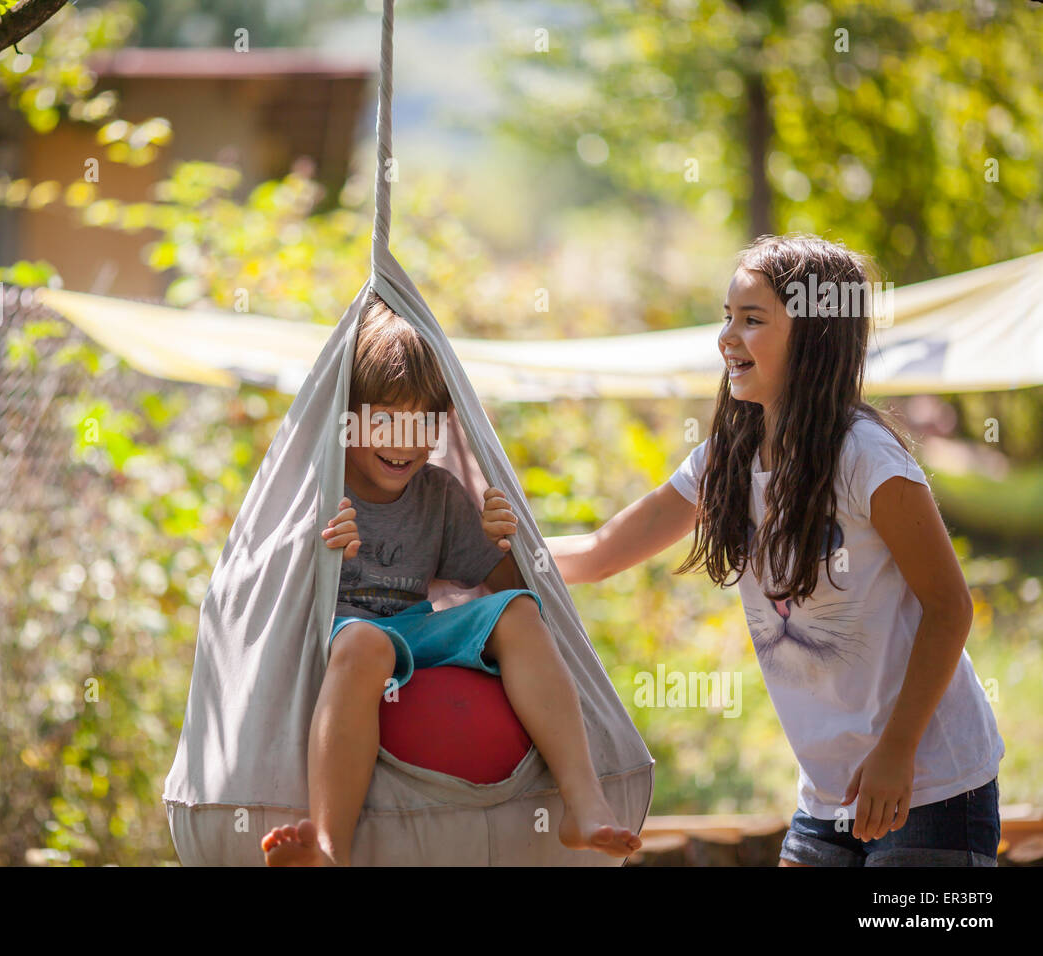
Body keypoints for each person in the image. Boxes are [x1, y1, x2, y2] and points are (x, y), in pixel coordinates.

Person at [484, 234, 1003, 867]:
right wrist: (488, 542)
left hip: (930, 782)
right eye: (728, 316)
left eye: (752, 320)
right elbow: (596, 554)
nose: (727, 336)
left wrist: (897, 753)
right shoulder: (723, 463)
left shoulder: (868, 458)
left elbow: (950, 607)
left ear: (814, 335)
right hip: (828, 794)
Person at [259, 292, 643, 866]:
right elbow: (267, 590)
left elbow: (517, 591)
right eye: (385, 419)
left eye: (423, 421)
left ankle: (583, 803)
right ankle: (328, 848)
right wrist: (317, 546)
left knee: (515, 612)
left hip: (419, 629)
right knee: (364, 642)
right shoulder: (317, 488)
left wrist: (502, 540)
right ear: (345, 417)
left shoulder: (438, 493)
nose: (404, 441)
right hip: (346, 634)